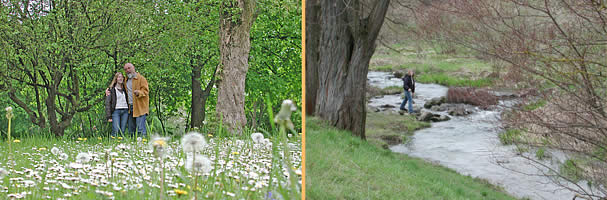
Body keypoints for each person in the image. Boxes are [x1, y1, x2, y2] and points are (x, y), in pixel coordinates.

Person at [106, 63, 149, 137]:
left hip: (140, 108)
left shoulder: (141, 79)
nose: (127, 70)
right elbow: (116, 86)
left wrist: (139, 92)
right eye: (125, 69)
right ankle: (132, 145)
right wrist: (107, 91)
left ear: (133, 68)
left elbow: (146, 91)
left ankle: (142, 145)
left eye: (129, 68)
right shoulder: (125, 80)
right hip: (129, 109)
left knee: (140, 129)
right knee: (131, 130)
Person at [105, 72, 129, 137]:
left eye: (121, 77)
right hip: (116, 111)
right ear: (116, 79)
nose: (120, 78)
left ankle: (122, 145)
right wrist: (109, 116)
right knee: (115, 129)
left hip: (125, 111)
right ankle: (113, 143)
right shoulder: (111, 89)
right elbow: (108, 103)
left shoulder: (125, 89)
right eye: (119, 77)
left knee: (123, 130)